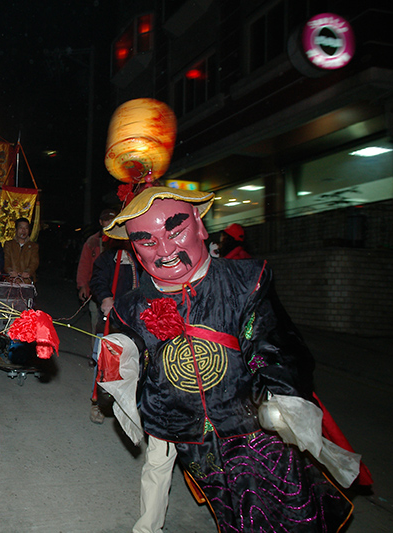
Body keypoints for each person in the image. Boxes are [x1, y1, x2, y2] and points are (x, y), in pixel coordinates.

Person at [102, 186, 352, 532]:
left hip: (239, 412)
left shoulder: (244, 281)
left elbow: (270, 341)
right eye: (148, 242)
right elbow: (128, 342)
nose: (166, 250)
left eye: (176, 232)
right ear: (135, 250)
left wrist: (283, 393)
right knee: (163, 467)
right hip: (168, 409)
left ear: (201, 227)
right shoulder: (132, 304)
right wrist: (118, 350)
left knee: (258, 492)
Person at [86, 239, 139, 424]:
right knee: (103, 361)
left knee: (130, 365)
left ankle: (127, 406)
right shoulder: (107, 258)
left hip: (135, 322)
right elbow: (97, 280)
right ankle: (97, 403)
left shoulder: (140, 258)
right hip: (112, 319)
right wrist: (106, 297)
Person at [77, 208, 118, 333]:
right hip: (96, 290)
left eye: (112, 220)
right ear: (101, 222)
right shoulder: (93, 241)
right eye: (106, 220)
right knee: (97, 325)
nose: (109, 223)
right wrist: (83, 285)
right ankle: (96, 351)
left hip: (117, 290)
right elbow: (84, 264)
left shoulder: (122, 241)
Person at [3, 217, 39, 282]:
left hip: (27, 280)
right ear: (16, 230)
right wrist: (10, 271)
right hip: (11, 280)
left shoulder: (34, 246)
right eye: (21, 228)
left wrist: (28, 272)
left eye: (26, 228)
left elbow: (34, 262)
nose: (23, 230)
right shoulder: (9, 244)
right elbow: (6, 259)